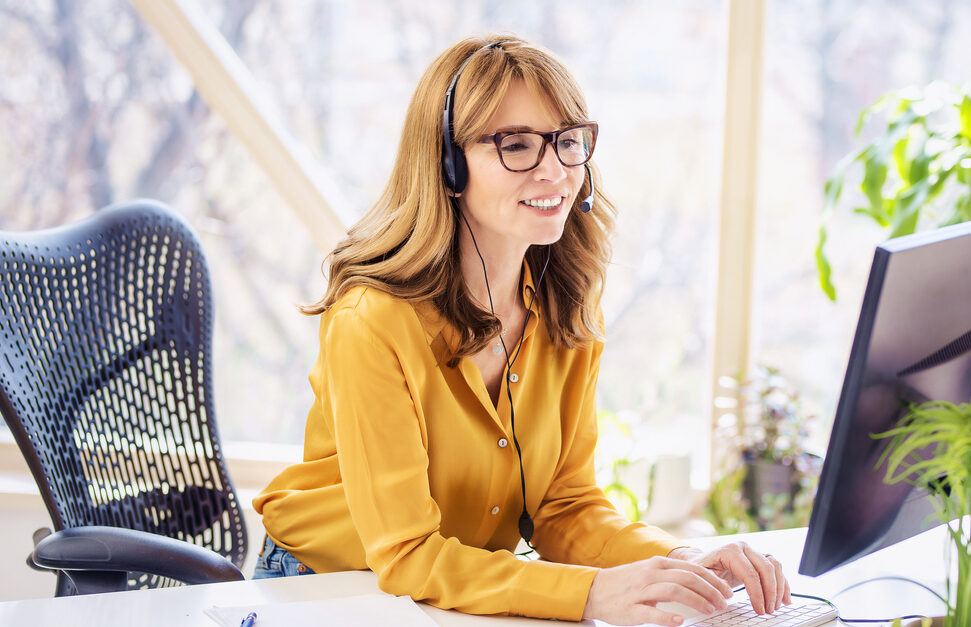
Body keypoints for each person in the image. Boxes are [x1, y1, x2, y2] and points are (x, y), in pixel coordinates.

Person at [252, 33, 792, 626]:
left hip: (460, 589)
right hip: (323, 588)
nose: (555, 170)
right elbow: (406, 554)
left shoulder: (566, 305)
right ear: (448, 164)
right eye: (515, 146)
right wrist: (590, 593)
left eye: (566, 142)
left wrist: (681, 559)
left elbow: (565, 507)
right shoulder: (372, 321)